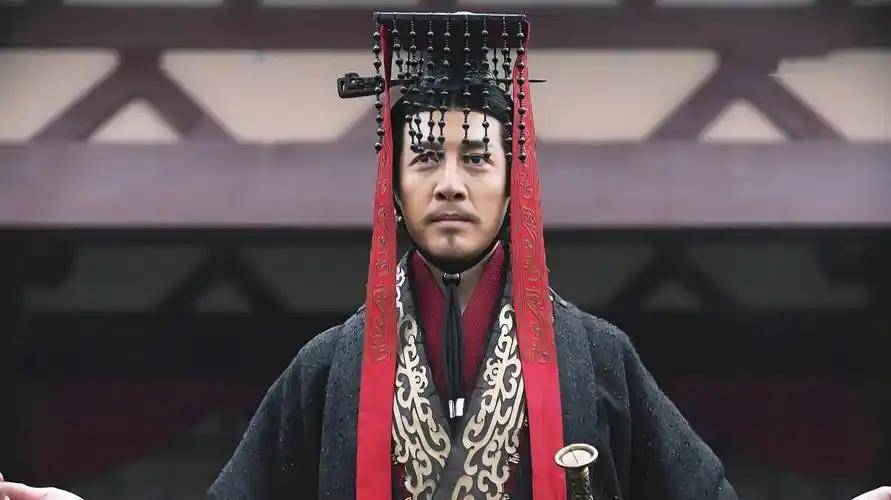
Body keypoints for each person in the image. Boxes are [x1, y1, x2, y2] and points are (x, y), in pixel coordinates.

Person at [1, 11, 888, 500]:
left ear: (514, 180)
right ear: (392, 183)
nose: (452, 183)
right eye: (424, 158)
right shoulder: (328, 368)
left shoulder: (597, 357)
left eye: (476, 158)